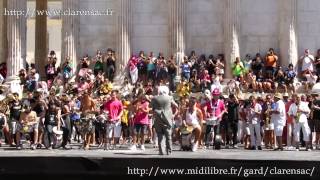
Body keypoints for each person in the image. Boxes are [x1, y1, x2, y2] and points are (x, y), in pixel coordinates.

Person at [151, 86, 178, 155]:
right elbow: (176, 105)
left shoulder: (154, 98)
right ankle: (169, 151)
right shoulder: (170, 97)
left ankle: (161, 151)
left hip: (158, 119)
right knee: (168, 136)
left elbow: (152, 107)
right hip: (168, 119)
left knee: (160, 135)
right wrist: (173, 114)